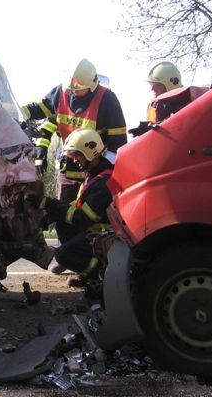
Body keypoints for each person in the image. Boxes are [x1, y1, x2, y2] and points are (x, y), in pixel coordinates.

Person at [22, 58, 126, 205]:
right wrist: (13, 113)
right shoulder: (61, 92)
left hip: (95, 173)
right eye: (70, 89)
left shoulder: (107, 100)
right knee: (64, 217)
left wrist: (104, 174)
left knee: (89, 218)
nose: (72, 92)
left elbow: (118, 143)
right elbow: (38, 109)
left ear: (92, 85)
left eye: (77, 90)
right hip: (67, 171)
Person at [28, 128, 114, 288]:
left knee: (63, 255)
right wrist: (52, 214)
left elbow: (81, 218)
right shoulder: (94, 174)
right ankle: (89, 269)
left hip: (106, 237)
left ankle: (100, 273)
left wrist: (49, 204)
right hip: (95, 230)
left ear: (90, 153)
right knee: (61, 223)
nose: (74, 160)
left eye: (77, 155)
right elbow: (76, 207)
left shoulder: (103, 183)